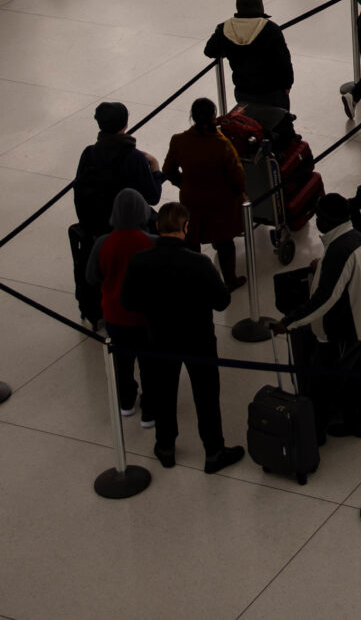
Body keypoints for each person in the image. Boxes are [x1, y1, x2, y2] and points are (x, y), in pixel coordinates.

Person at [121, 202, 244, 473]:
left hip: (160, 339)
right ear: (186, 228)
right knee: (206, 396)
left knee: (163, 393)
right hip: (199, 339)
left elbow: (128, 301)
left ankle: (165, 447)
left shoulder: (140, 261)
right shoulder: (199, 263)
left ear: (157, 227)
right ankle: (213, 451)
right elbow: (222, 302)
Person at [274, 193, 361, 438]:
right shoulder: (358, 238)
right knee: (356, 379)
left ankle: (312, 434)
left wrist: (288, 322)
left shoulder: (339, 250)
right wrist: (322, 265)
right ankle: (359, 423)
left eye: (319, 216)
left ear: (329, 221)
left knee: (320, 385)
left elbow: (325, 298)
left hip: (342, 330)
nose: (316, 220)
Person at [84, 188, 156, 421]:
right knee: (149, 363)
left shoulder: (103, 243)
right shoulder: (152, 242)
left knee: (121, 362)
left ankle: (126, 401)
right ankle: (150, 408)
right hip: (145, 316)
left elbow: (91, 277)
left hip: (115, 315)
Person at [161, 99, 249, 290]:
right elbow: (238, 177)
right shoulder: (222, 145)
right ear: (213, 117)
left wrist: (183, 183)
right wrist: (239, 193)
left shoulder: (179, 141)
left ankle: (196, 281)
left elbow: (168, 170)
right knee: (225, 242)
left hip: (191, 200)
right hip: (220, 201)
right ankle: (230, 280)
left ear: (192, 117)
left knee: (192, 241)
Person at [73, 101, 163, 233]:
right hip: (127, 230)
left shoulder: (89, 153)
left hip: (95, 226)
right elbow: (153, 197)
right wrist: (155, 167)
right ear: (125, 124)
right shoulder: (134, 157)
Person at [205, 0, 294, 111]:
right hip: (272, 93)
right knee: (279, 126)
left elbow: (210, 51)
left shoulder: (225, 28)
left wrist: (229, 46)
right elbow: (284, 61)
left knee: (250, 127)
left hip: (244, 93)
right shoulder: (270, 29)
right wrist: (287, 84)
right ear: (259, 3)